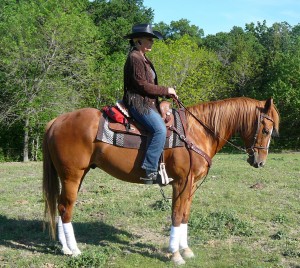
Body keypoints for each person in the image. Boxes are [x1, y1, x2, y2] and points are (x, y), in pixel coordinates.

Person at [123, 23, 177, 184]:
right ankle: (150, 169)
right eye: (149, 39)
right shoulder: (134, 58)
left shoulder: (143, 58)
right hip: (138, 103)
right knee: (159, 129)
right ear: (138, 41)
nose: (152, 42)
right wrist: (166, 90)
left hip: (148, 102)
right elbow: (142, 85)